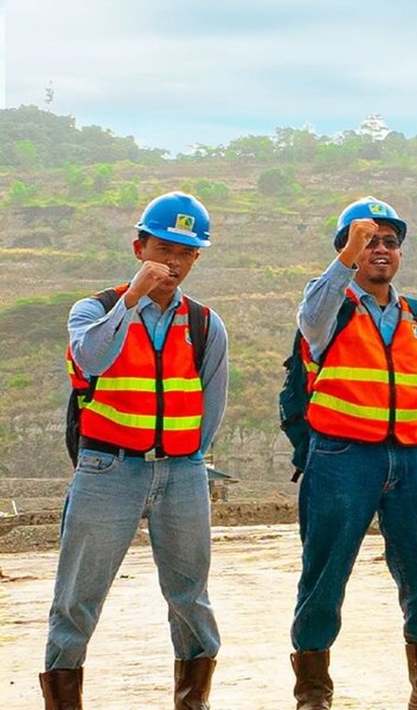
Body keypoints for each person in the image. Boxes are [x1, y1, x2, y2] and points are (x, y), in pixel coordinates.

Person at [43, 191, 230, 710]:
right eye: (163, 247)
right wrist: (132, 301)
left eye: (186, 252)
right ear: (138, 246)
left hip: (183, 472)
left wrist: (189, 457)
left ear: (197, 259)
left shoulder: (204, 324)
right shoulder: (94, 310)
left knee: (190, 597)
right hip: (107, 469)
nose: (173, 261)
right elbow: (92, 357)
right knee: (78, 597)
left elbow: (211, 405)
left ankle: (193, 701)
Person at [289, 197, 417, 710]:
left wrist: (408, 427)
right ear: (346, 250)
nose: (380, 250)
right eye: (367, 240)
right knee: (325, 571)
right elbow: (310, 317)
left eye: (389, 242)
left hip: (411, 456)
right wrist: (344, 256)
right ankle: (312, 691)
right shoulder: (329, 306)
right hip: (343, 455)